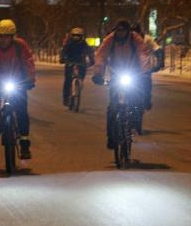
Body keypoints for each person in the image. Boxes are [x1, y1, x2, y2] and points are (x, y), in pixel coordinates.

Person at [0, 19, 36, 160]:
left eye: (7, 36)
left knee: (22, 111)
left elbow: (29, 62)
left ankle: (24, 143)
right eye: (1, 36)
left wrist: (30, 80)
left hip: (18, 80)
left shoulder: (20, 46)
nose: (3, 40)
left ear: (12, 36)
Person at [92, 19, 149, 149]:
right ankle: (111, 136)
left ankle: (134, 124)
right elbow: (101, 56)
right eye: (119, 31)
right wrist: (98, 74)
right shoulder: (110, 40)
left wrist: (145, 71)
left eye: (123, 31)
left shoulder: (135, 39)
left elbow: (143, 54)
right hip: (116, 75)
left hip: (133, 73)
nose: (121, 34)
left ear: (128, 31)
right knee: (112, 107)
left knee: (137, 100)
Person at [132, 23, 164, 110]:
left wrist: (160, 62)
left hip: (144, 68)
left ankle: (147, 98)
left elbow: (157, 49)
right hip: (130, 68)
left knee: (146, 83)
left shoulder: (147, 39)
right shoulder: (128, 39)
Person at [60, 27, 95, 106]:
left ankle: (78, 87)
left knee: (81, 77)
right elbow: (64, 51)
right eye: (74, 35)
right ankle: (66, 98)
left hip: (81, 62)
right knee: (68, 80)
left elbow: (90, 52)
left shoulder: (84, 44)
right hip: (70, 62)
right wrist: (62, 58)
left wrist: (92, 60)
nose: (76, 37)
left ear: (81, 36)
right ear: (72, 35)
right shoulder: (69, 43)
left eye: (78, 35)